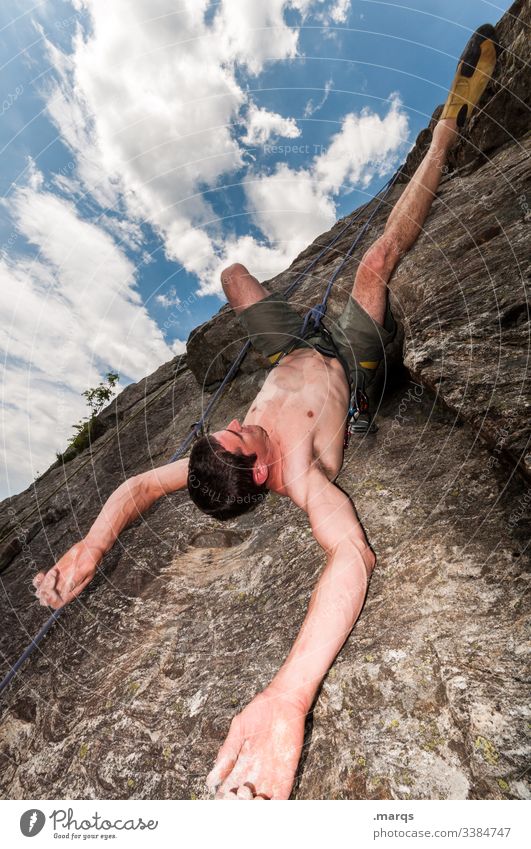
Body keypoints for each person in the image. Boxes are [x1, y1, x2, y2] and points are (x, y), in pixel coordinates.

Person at [33, 26, 498, 800]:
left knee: (233, 276)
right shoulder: (307, 475)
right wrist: (288, 695)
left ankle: (278, 311)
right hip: (348, 358)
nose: (230, 424)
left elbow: (139, 487)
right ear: (258, 463)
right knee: (375, 262)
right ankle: (448, 130)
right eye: (235, 431)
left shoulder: (212, 464)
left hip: (289, 346)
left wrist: (88, 544)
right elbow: (350, 559)